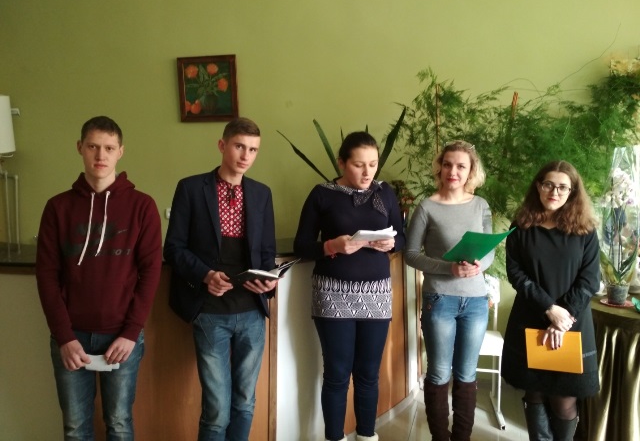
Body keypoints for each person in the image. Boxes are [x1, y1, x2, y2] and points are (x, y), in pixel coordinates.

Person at [36, 116, 163, 440]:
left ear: (120, 151)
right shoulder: (57, 208)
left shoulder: (142, 206)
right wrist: (64, 336)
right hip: (71, 337)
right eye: (93, 146)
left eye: (108, 148)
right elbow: (47, 275)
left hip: (122, 337)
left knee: (119, 424)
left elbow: (151, 272)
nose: (100, 155)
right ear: (80, 147)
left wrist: (131, 332)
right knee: (75, 428)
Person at [163, 117, 277, 441]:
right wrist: (205, 275)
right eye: (240, 146)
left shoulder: (261, 193)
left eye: (253, 149)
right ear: (222, 145)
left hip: (252, 311)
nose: (246, 155)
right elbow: (173, 248)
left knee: (245, 402)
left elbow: (266, 252)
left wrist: (269, 280)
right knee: (216, 410)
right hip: (210, 311)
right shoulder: (191, 188)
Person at [293, 131, 406, 441]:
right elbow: (301, 245)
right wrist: (332, 246)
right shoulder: (322, 194)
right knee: (337, 375)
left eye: (373, 164)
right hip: (332, 294)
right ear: (341, 163)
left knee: (368, 375)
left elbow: (402, 237)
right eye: (359, 165)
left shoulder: (385, 193)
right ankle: (334, 437)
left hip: (377, 295)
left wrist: (391, 244)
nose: (368, 172)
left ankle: (367, 436)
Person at [502, 160, 600, 440]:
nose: (554, 192)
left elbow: (590, 280)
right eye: (548, 184)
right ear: (538, 186)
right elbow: (516, 274)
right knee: (534, 393)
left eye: (562, 187)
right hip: (531, 317)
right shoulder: (521, 226)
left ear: (572, 191)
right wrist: (548, 308)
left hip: (572, 324)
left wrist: (562, 317)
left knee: (564, 399)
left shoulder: (585, 230)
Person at [404, 140, 494, 441]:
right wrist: (449, 268)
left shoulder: (480, 205)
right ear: (439, 168)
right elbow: (410, 255)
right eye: (447, 164)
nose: (453, 171)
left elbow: (489, 251)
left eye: (460, 166)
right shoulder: (426, 207)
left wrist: (480, 265)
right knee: (440, 373)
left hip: (476, 301)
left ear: (471, 171)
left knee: (467, 374)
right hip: (439, 300)